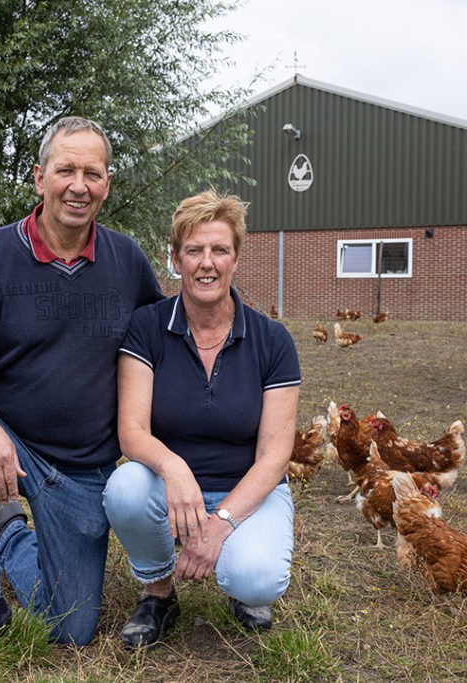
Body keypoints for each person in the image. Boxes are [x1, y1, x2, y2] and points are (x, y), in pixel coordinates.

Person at [0, 116, 163, 673]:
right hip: (10, 445)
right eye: (65, 169)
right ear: (38, 177)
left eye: (92, 172)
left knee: (68, 627)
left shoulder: (128, 262)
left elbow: (164, 343)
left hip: (85, 470)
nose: (78, 184)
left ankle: (7, 535)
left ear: (108, 183)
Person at [102, 189, 301, 648]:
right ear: (175, 258)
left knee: (257, 580)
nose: (206, 263)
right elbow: (131, 432)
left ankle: (238, 585)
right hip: (171, 490)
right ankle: (158, 592)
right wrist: (174, 469)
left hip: (249, 490)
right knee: (125, 488)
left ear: (235, 257)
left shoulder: (273, 341)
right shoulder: (148, 327)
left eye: (219, 250)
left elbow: (275, 456)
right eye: (193, 250)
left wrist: (221, 523)